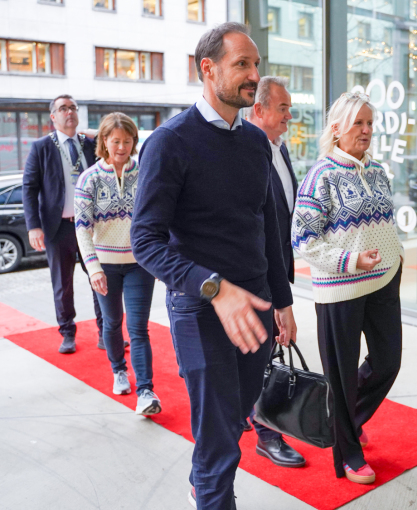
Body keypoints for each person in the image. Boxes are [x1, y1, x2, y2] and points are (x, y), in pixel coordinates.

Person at [130, 22, 297, 510]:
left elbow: (264, 224)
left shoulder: (252, 142)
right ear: (208, 69)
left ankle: (203, 479)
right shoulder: (169, 142)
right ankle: (212, 495)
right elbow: (146, 241)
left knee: (231, 422)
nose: (253, 75)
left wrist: (282, 302)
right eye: (242, 64)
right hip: (200, 310)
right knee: (221, 434)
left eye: (255, 65)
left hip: (257, 308)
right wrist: (213, 288)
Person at [291, 92, 404, 484]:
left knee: (388, 362)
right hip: (340, 289)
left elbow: (383, 224)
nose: (367, 131)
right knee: (339, 375)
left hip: (384, 281)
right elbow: (302, 239)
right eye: (359, 123)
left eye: (370, 124)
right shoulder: (320, 175)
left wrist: (396, 255)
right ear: (336, 129)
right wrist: (351, 261)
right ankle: (349, 453)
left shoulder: (376, 171)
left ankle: (343, 421)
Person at [74, 112, 161, 415]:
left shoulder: (146, 173)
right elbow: (82, 228)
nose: (122, 147)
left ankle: (147, 391)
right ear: (104, 142)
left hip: (140, 264)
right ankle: (118, 369)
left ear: (134, 142)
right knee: (112, 323)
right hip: (105, 266)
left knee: (138, 328)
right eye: (116, 141)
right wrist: (93, 268)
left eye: (127, 141)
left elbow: (157, 217)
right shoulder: (89, 179)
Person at [244, 76, 305, 468]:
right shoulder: (247, 152)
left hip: (277, 270)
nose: (289, 115)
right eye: (282, 108)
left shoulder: (278, 150)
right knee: (261, 358)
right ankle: (267, 433)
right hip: (254, 275)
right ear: (259, 110)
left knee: (264, 354)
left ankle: (252, 415)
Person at [22, 95, 103, 354]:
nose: (69, 112)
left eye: (72, 108)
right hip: (59, 228)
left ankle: (107, 332)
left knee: (100, 278)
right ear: (53, 117)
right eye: (62, 109)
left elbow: (114, 140)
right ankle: (67, 333)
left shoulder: (90, 144)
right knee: (62, 283)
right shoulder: (41, 147)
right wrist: (34, 226)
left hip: (91, 227)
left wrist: (94, 133)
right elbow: (29, 187)